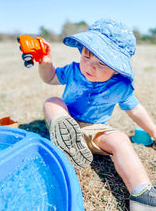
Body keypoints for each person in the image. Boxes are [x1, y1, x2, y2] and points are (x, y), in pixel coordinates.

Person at [38, 18, 156, 210]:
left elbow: (135, 110)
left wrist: (153, 131)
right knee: (53, 101)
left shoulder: (119, 87)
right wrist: (45, 63)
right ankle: (64, 132)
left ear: (117, 70)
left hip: (95, 130)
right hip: (65, 118)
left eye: (101, 63)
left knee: (119, 139)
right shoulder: (74, 71)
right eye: (86, 56)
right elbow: (50, 77)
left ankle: (142, 194)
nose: (90, 66)